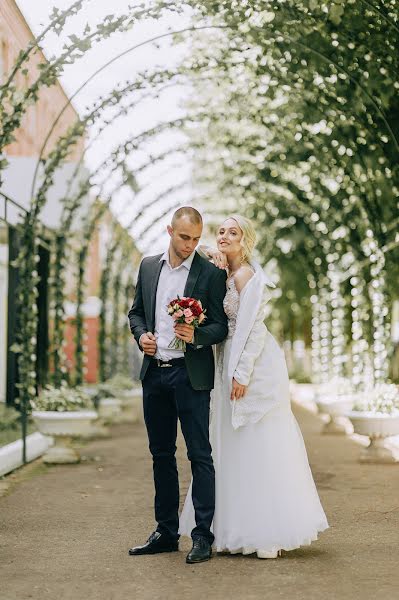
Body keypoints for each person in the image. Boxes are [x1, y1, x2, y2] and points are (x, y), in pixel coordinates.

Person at [179, 215, 329, 558]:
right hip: (224, 359)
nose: (224, 237)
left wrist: (242, 374)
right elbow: (196, 252)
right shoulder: (222, 273)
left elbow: (254, 329)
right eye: (221, 232)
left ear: (246, 240)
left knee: (255, 440)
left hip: (252, 362)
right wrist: (216, 261)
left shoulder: (248, 276)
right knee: (227, 443)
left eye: (233, 233)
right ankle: (228, 527)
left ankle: (266, 532)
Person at [128, 206, 228, 564]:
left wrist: (196, 335)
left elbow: (221, 325)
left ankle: (202, 537)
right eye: (185, 237)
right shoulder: (148, 266)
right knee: (161, 454)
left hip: (191, 375)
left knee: (200, 455)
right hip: (154, 373)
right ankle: (166, 532)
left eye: (196, 239)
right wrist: (142, 337)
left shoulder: (210, 274)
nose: (190, 245)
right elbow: (136, 312)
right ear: (169, 230)